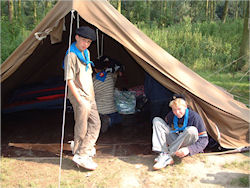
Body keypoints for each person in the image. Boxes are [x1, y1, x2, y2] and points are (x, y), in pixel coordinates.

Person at [63, 26, 101, 171]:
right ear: (76, 37)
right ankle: (81, 154)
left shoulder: (86, 52)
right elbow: (69, 80)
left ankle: (83, 148)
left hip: (90, 95)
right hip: (80, 96)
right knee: (82, 126)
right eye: (84, 40)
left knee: (96, 123)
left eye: (89, 42)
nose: (86, 44)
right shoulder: (71, 56)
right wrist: (79, 100)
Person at [152, 94, 208, 170]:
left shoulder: (195, 117)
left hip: (187, 142)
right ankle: (163, 153)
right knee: (157, 120)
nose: (177, 112)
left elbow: (204, 139)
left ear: (185, 107)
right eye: (174, 110)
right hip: (176, 140)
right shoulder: (171, 116)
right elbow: (165, 131)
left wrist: (189, 149)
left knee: (191, 130)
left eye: (179, 109)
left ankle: (167, 155)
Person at [93, 56, 123, 133]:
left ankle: (101, 120)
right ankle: (109, 121)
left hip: (98, 110)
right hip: (111, 110)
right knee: (120, 118)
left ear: (95, 70)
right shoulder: (111, 77)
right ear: (105, 68)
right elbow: (117, 73)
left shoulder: (93, 80)